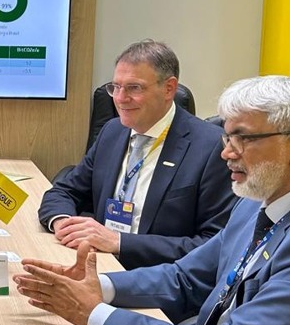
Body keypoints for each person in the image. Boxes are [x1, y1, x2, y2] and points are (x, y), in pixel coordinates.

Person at [15, 75, 290, 325]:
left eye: (243, 138)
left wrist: (94, 314)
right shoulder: (259, 201)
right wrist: (99, 285)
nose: (226, 152)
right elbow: (185, 278)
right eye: (227, 135)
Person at [38, 40, 235, 269]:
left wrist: (120, 242)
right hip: (99, 263)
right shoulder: (112, 131)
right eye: (116, 87)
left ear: (169, 88)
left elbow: (213, 245)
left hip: (160, 279)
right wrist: (63, 222)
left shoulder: (212, 147)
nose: (120, 98)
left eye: (134, 88)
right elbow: (65, 190)